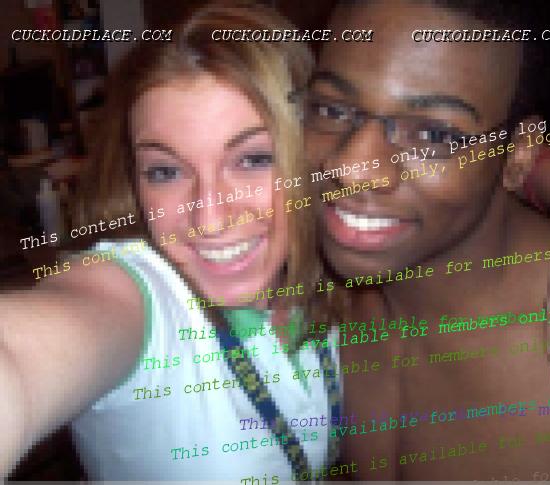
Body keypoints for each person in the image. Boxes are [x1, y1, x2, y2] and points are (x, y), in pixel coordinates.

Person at [0, 3, 338, 481]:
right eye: (166, 171)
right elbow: (17, 358)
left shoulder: (336, 281)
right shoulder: (138, 301)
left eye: (253, 159)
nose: (210, 218)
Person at [300, 0, 550, 479]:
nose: (352, 168)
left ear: (519, 154)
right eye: (332, 109)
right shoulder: (299, 270)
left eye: (434, 134)